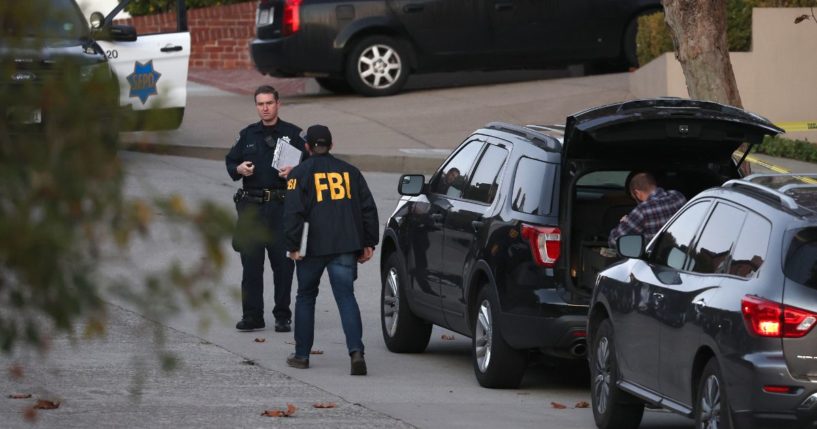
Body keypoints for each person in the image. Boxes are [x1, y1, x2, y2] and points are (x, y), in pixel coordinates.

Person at [283, 124, 379, 376]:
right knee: (346, 297)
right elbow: (367, 208)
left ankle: (302, 355)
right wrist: (369, 242)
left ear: (307, 147)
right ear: (331, 146)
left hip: (312, 247)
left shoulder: (299, 174)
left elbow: (293, 213)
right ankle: (356, 352)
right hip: (345, 245)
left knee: (305, 296)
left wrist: (293, 245)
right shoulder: (351, 172)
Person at [225, 85, 309, 332]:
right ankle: (252, 316)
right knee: (251, 264)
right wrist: (239, 169)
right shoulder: (247, 134)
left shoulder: (293, 135)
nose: (265, 108)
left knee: (283, 265)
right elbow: (231, 161)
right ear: (256, 106)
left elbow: (311, 166)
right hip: (252, 207)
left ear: (278, 104)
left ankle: (282, 315)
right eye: (260, 104)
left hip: (281, 207)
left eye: (269, 103)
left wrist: (295, 171)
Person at [608, 172, 686, 248]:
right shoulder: (678, 196)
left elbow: (614, 241)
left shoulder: (642, 210)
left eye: (634, 198)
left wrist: (626, 221)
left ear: (637, 193)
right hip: (683, 249)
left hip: (657, 258)